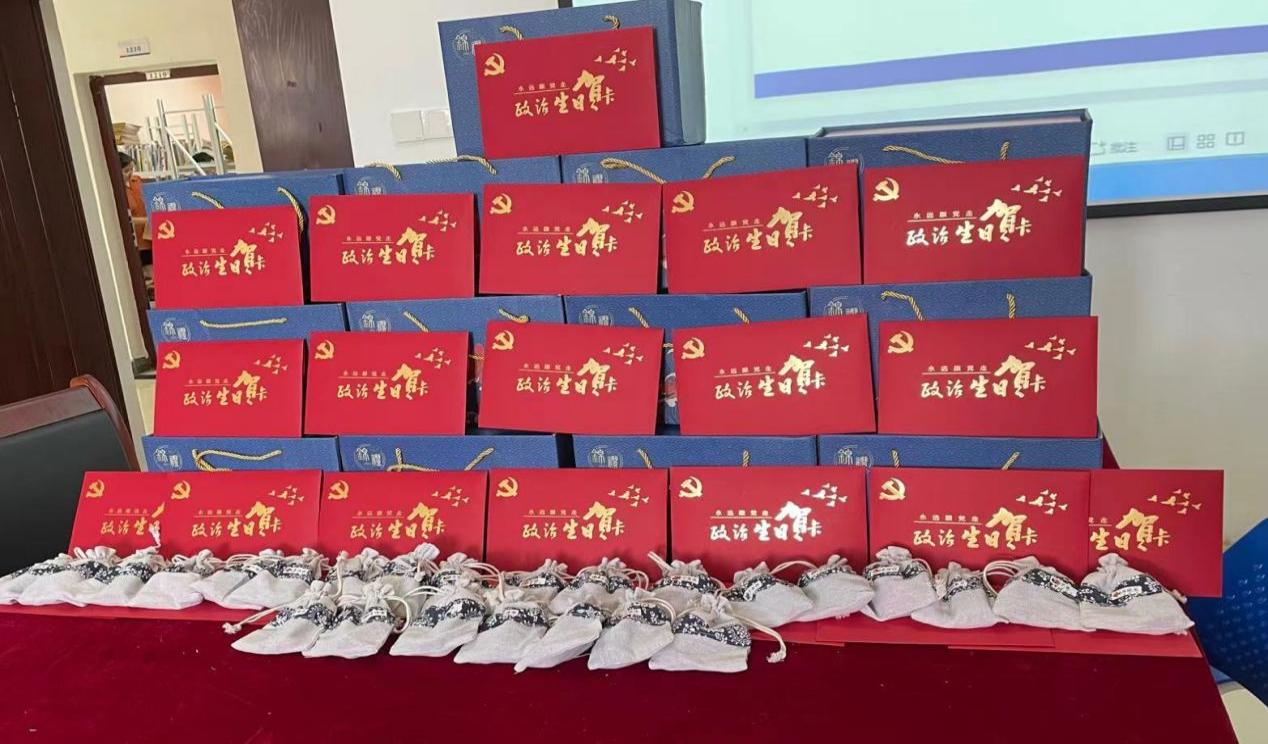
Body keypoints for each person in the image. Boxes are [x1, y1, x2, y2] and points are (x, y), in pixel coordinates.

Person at [119, 151, 150, 250]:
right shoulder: (117, 191)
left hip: (150, 234)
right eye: (126, 171)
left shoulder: (137, 180)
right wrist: (146, 221)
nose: (130, 173)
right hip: (136, 240)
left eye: (132, 169)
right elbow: (124, 219)